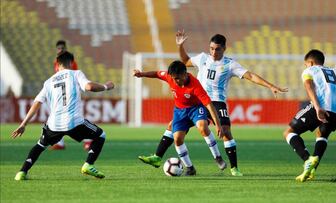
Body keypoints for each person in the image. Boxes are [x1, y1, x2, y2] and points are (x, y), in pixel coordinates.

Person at [139, 31, 288, 176]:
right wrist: (180, 46)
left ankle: (234, 168)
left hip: (217, 102)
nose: (213, 52)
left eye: (217, 49)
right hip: (197, 101)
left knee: (225, 132)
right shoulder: (203, 58)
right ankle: (158, 157)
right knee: (173, 126)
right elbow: (185, 61)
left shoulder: (230, 64)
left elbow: (250, 76)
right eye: (211, 48)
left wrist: (270, 86)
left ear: (224, 48)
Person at [12, 51, 114, 180]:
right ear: (71, 63)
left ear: (57, 64)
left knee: (40, 145)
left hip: (54, 124)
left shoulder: (48, 82)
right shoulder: (75, 74)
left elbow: (37, 103)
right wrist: (106, 86)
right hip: (74, 122)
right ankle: (88, 165)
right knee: (100, 135)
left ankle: (21, 172)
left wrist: (23, 124)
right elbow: (89, 87)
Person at [134, 60, 227, 176]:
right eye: (173, 78)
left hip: (196, 109)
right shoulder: (170, 77)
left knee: (202, 127)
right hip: (180, 111)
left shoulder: (195, 85)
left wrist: (218, 125)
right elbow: (157, 74)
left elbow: (209, 104)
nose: (175, 81)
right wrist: (141, 74)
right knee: (177, 138)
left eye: (177, 78)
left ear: (185, 74)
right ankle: (190, 168)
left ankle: (217, 157)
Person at [283, 49, 336, 182]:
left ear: (311, 62)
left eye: (306, 64)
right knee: (321, 134)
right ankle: (311, 170)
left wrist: (317, 107)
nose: (305, 67)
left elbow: (308, 86)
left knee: (289, 132)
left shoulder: (309, 71)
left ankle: (307, 160)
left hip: (322, 106)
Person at [51, 40, 92, 150]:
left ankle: (88, 139)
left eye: (62, 48)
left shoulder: (71, 62)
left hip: (71, 93)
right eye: (58, 48)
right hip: (61, 93)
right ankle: (60, 143)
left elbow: (74, 77)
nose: (60, 49)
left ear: (65, 48)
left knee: (74, 118)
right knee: (60, 116)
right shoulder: (56, 61)